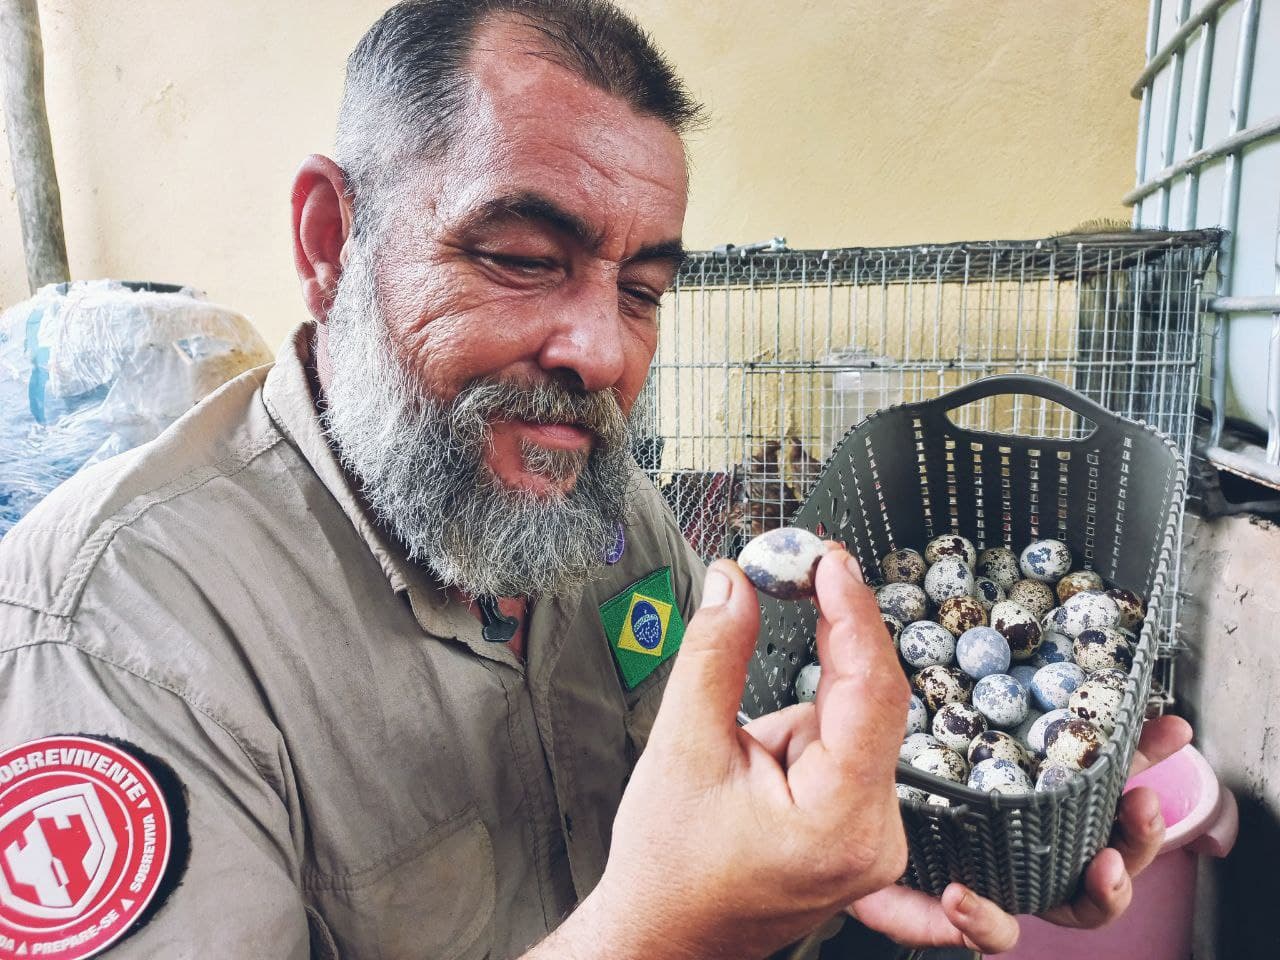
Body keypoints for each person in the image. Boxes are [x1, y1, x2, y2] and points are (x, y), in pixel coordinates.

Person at [0, 2, 1190, 958]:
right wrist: (673, 935)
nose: (604, 354)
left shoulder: (604, 513)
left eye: (642, 292)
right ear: (329, 240)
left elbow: (713, 821)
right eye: (523, 258)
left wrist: (901, 855)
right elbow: (674, 907)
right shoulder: (112, 639)